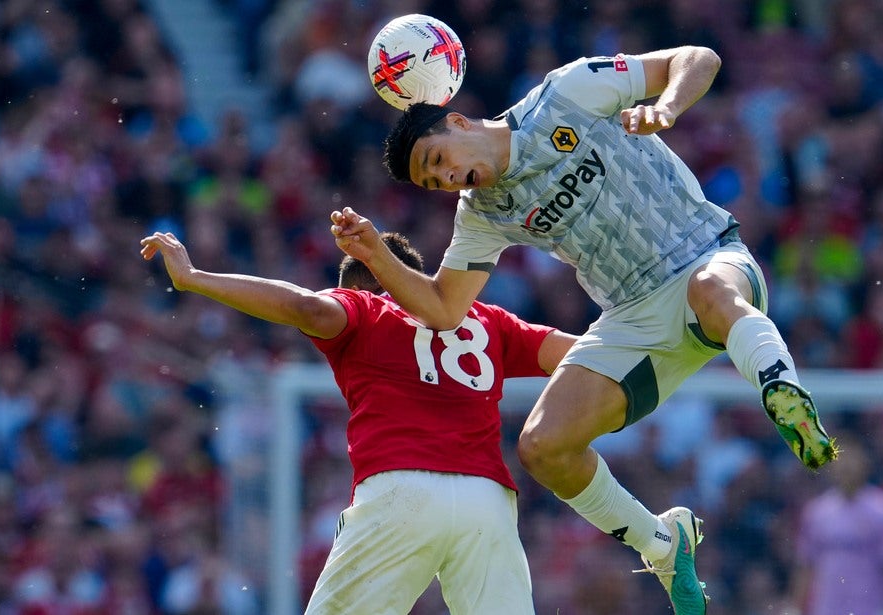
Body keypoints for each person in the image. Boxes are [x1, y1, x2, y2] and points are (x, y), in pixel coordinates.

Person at [330, 44, 838, 613]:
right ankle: (664, 544)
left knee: (707, 291)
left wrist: (666, 107)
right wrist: (376, 254)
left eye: (438, 159)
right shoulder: (482, 212)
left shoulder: (566, 94)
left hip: (706, 255)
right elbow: (446, 309)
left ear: (457, 120)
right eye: (434, 182)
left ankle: (782, 390)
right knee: (543, 447)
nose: (448, 177)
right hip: (633, 317)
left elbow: (700, 58)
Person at [138, 230, 577, 614]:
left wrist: (194, 277)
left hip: (403, 490)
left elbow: (307, 308)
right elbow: (577, 354)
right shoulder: (489, 319)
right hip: (489, 501)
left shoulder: (366, 305)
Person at [787, 433, 883, 615]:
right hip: (827, 609)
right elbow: (806, 565)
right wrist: (795, 608)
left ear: (865, 463)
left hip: (869, 609)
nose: (846, 465)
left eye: (852, 457)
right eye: (840, 458)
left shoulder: (882, 510)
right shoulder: (817, 512)